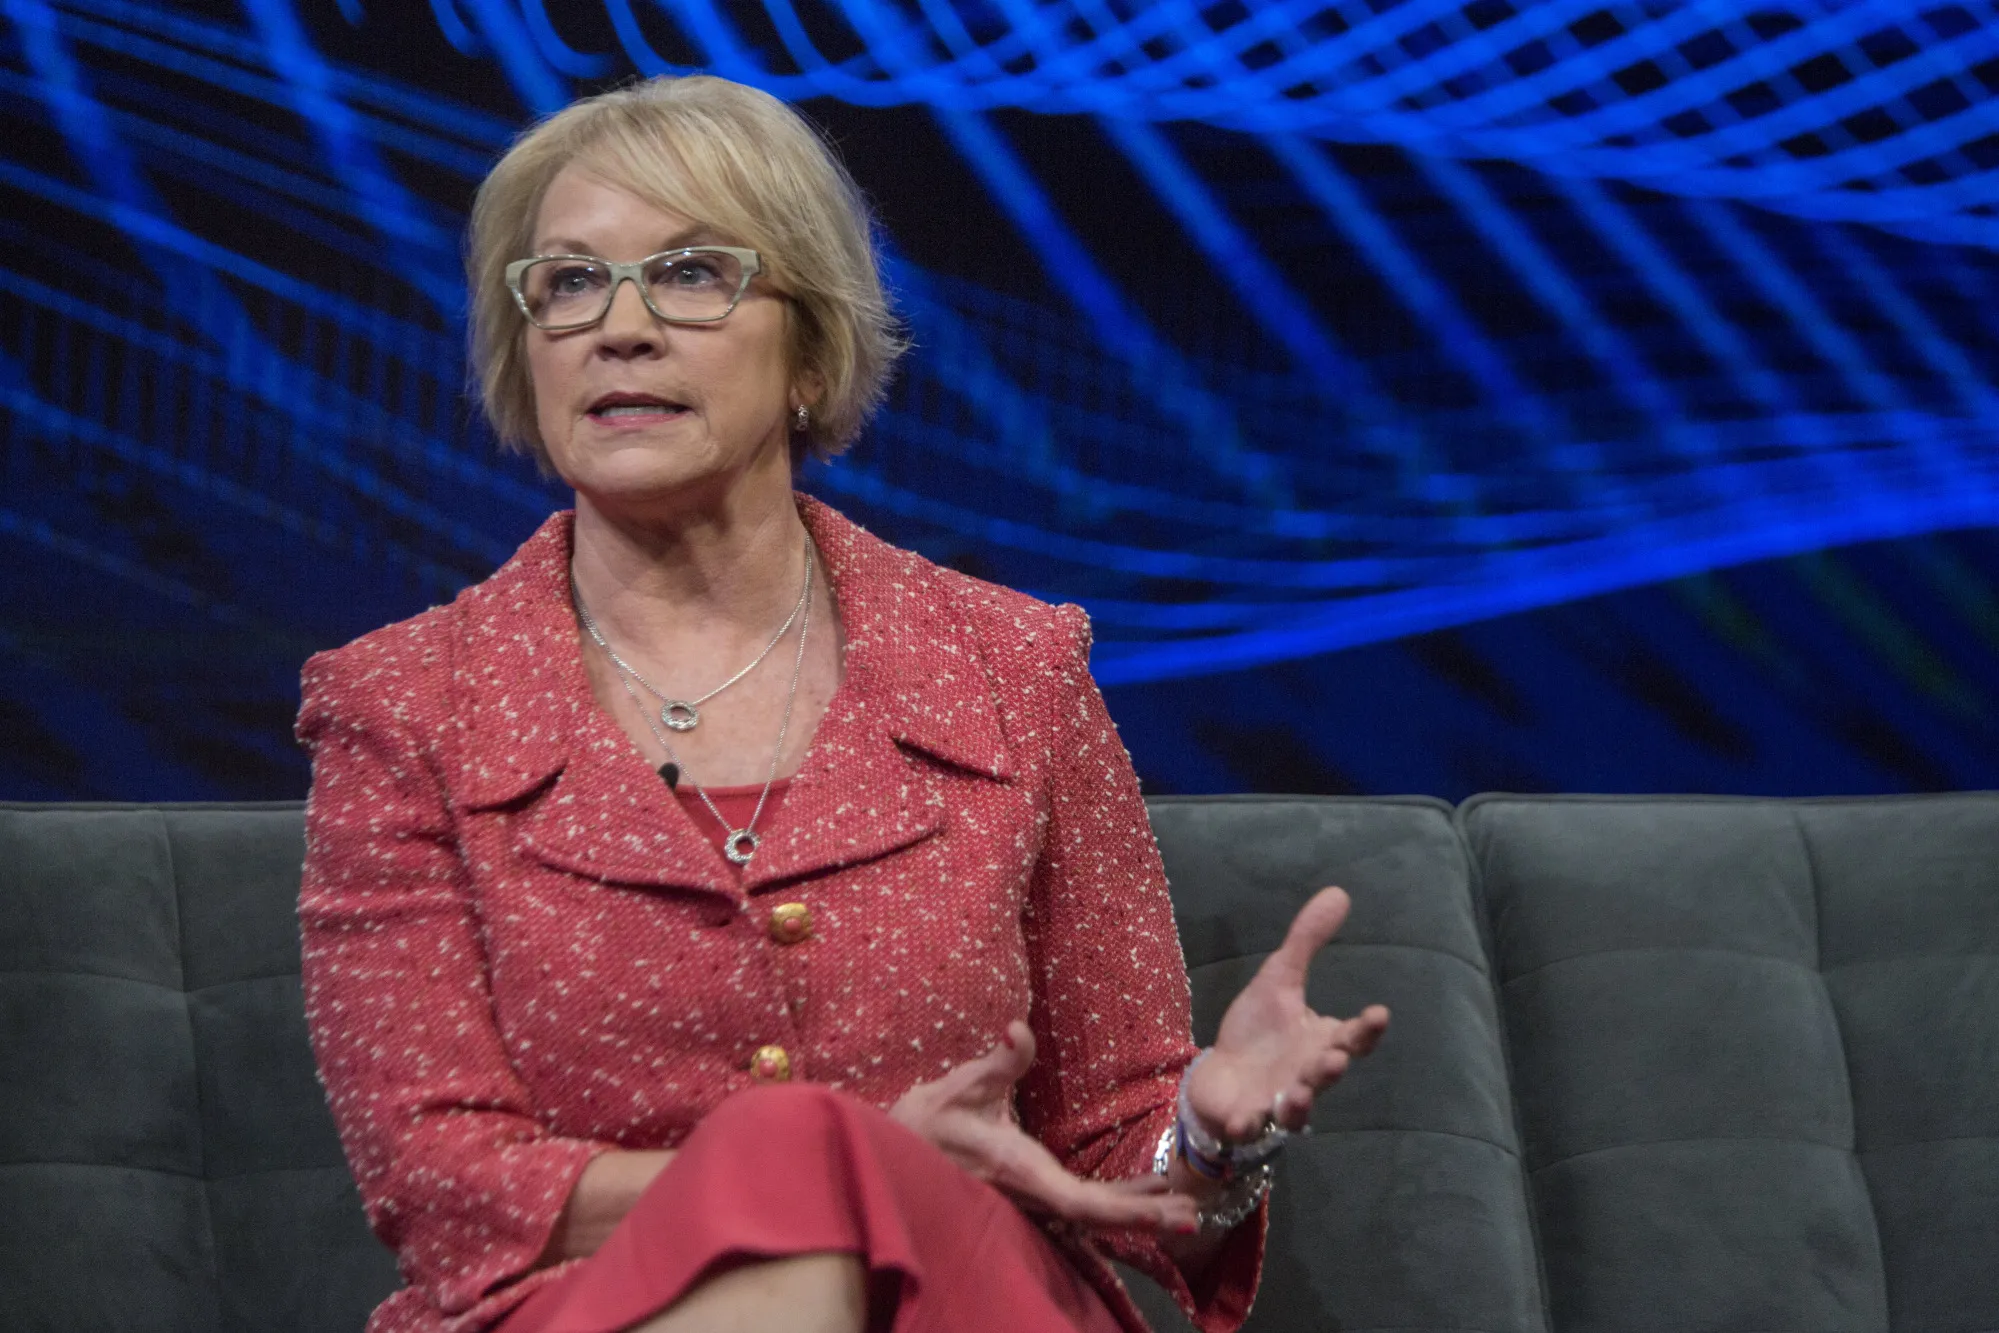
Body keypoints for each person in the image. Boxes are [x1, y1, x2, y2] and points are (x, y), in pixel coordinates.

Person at [296, 74, 1390, 1333]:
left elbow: (1118, 1168)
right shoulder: (403, 709)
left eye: (693, 274)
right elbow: (440, 1184)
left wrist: (1203, 1132)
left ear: (812, 351)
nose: (620, 326)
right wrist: (845, 1170)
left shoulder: (1012, 670)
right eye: (570, 282)